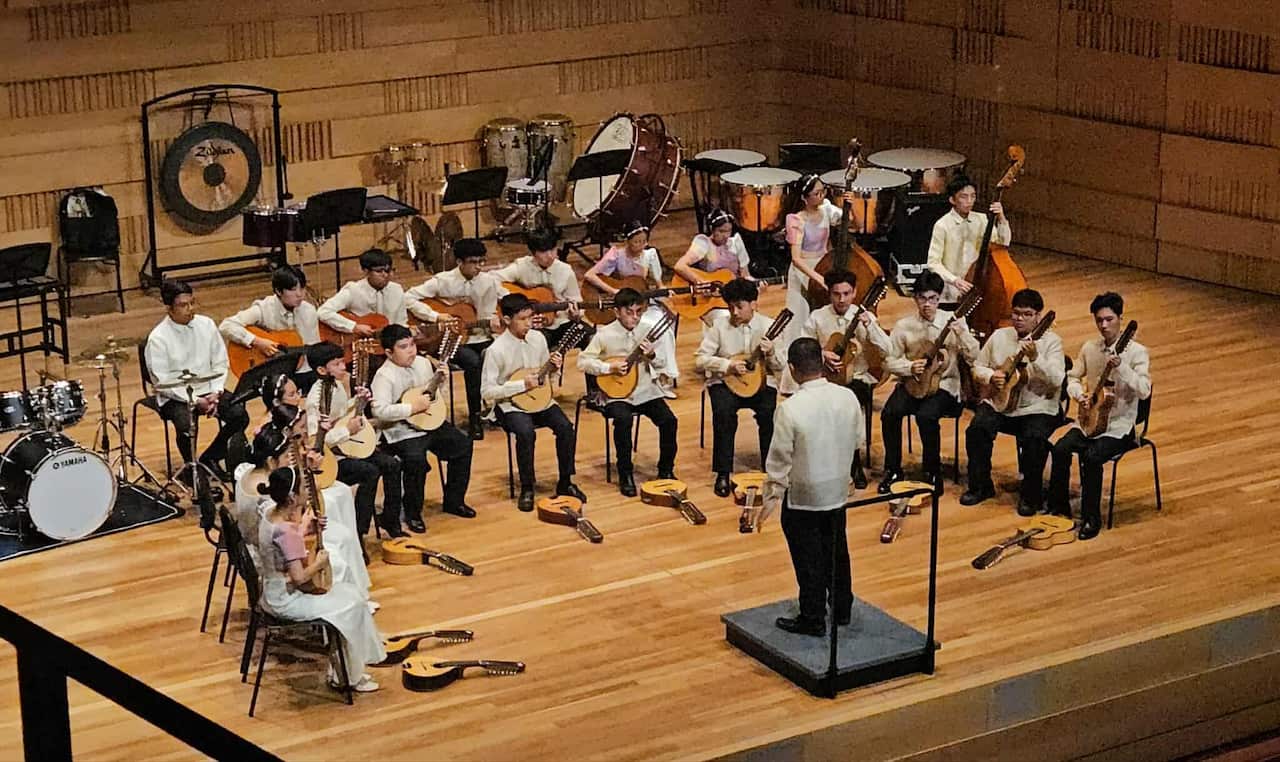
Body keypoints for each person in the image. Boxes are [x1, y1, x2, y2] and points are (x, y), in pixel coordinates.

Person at [761, 338, 863, 636]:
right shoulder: (848, 397)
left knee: (808, 558)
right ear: (822, 362)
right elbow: (859, 441)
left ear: (792, 369)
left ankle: (813, 616)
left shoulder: (790, 409)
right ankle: (842, 608)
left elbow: (779, 460)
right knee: (837, 549)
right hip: (837, 489)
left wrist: (770, 496)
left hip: (804, 496)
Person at [257, 465, 386, 693]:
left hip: (272, 590)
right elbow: (299, 578)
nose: (309, 493)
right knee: (353, 603)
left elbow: (286, 545)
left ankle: (346, 667)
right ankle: (347, 677)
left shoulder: (269, 513)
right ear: (293, 497)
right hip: (285, 600)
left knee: (348, 593)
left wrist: (305, 526)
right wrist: (319, 563)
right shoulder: (286, 532)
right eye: (304, 489)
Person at [1048, 292, 1150, 540]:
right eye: (1099, 321)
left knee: (1092, 458)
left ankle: (1091, 518)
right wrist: (1078, 395)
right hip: (1089, 421)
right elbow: (1072, 377)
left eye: (1109, 319)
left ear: (1120, 319)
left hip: (1120, 427)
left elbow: (1144, 391)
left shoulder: (1137, 353)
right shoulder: (1089, 348)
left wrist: (1122, 367)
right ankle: (1059, 508)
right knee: (1060, 449)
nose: (1104, 325)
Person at [961, 288, 1065, 514]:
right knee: (977, 429)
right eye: (1016, 313)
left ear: (1038, 316)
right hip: (1001, 403)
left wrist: (1036, 358)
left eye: (1026, 314)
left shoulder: (1052, 343)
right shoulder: (1000, 336)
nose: (1019, 319)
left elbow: (1057, 380)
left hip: (1038, 407)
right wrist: (991, 376)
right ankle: (981, 486)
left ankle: (1031, 496)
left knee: (1034, 439)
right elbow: (977, 366)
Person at [238, 419, 373, 589]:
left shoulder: (249, 474)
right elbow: (288, 527)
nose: (290, 460)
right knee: (337, 552)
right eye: (287, 456)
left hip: (273, 545)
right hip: (270, 561)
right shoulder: (268, 495)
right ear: (271, 461)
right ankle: (341, 593)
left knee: (342, 534)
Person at [481, 293, 586, 512]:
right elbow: (488, 392)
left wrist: (553, 369)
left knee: (566, 428)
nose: (528, 323)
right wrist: (520, 386)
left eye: (530, 317)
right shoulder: (495, 350)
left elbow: (543, 375)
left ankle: (566, 482)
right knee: (526, 432)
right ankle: (527, 487)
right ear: (507, 320)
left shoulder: (538, 339)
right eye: (522, 318)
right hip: (509, 404)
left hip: (540, 400)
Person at [368, 325, 476, 534]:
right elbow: (380, 411)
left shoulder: (423, 363)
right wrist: (411, 408)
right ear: (389, 352)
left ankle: (454, 501)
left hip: (429, 422)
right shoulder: (384, 376)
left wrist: (441, 382)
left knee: (463, 445)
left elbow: (432, 397)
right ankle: (412, 513)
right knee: (416, 460)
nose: (410, 350)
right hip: (400, 430)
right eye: (403, 347)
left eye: (412, 345)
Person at [879, 271, 979, 494]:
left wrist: (962, 334)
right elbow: (888, 361)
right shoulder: (904, 326)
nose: (928, 304)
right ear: (915, 298)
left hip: (945, 386)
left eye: (933, 299)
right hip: (913, 383)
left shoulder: (954, 321)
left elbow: (974, 357)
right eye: (923, 298)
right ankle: (893, 469)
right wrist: (909, 367)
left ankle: (932, 472)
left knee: (926, 416)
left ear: (940, 298)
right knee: (889, 413)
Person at [145, 279, 250, 488]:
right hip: (177, 395)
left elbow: (221, 362)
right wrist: (194, 400)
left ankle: (208, 458)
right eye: (183, 305)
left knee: (239, 414)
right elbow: (162, 380)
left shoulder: (207, 324)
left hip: (210, 390)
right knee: (186, 425)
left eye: (192, 303)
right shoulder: (158, 338)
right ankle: (190, 468)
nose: (190, 309)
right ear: (169, 308)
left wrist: (217, 392)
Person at [576, 288, 678, 496]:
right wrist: (608, 368)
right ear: (617, 312)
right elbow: (582, 362)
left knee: (669, 421)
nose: (635, 317)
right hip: (616, 394)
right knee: (623, 421)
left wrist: (651, 355)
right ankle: (625, 474)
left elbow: (663, 363)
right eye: (629, 312)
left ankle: (666, 470)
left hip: (645, 389)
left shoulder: (649, 330)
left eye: (638, 312)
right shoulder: (604, 334)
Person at [405, 238, 506, 440]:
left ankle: (499, 409)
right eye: (473, 262)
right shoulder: (442, 280)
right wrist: (436, 316)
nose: (479, 267)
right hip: (447, 340)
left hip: (480, 335)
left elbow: (499, 306)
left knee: (500, 353)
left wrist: (497, 320)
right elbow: (408, 297)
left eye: (481, 261)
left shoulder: (489, 282)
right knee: (472, 362)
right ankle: (475, 417)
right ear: (460, 262)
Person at [800, 269, 892, 488]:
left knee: (850, 405)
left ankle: (853, 461)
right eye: (836, 294)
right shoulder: (817, 317)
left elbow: (888, 350)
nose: (841, 299)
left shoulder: (865, 317)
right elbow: (802, 348)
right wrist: (822, 354)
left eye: (846, 293)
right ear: (829, 294)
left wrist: (870, 326)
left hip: (857, 378)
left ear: (855, 292)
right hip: (825, 379)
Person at [305, 341, 404, 539]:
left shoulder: (337, 386)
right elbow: (316, 442)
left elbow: (341, 414)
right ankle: (358, 532)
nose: (343, 367)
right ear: (322, 369)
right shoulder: (314, 400)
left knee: (391, 464)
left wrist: (358, 401)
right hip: (331, 460)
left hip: (348, 447)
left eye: (343, 362)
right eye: (337, 364)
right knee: (369, 473)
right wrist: (347, 431)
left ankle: (391, 520)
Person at [694, 278, 782, 498]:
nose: (734, 312)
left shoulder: (769, 326)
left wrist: (771, 352)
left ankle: (770, 470)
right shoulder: (719, 327)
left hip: (760, 382)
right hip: (726, 382)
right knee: (724, 414)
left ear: (754, 303)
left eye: (739, 306)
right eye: (730, 306)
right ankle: (723, 472)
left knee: (768, 414)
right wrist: (727, 365)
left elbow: (781, 366)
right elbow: (700, 359)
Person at [218, 265, 321, 391]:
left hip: (301, 370)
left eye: (302, 288)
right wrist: (257, 341)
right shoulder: (263, 309)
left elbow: (314, 348)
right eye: (293, 290)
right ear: (278, 291)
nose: (300, 294)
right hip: (270, 372)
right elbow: (226, 325)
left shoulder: (309, 311)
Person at [490, 227, 589, 349]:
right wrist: (511, 299)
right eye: (543, 252)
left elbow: (576, 300)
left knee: (587, 334)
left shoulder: (565, 270)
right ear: (533, 253)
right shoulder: (522, 266)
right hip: (531, 327)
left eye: (553, 250)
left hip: (560, 322)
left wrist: (575, 315)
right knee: (534, 343)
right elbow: (491, 278)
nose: (550, 256)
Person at [926, 174, 1011, 304]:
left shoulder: (982, 219)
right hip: (952, 289)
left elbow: (1002, 245)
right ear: (952, 200)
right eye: (964, 197)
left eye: (973, 196)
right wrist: (955, 280)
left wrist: (1001, 218)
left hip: (980, 284)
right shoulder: (942, 225)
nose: (969, 201)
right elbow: (933, 263)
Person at [318, 248, 415, 337]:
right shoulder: (353, 290)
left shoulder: (397, 290)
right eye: (379, 271)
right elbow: (323, 312)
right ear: (366, 271)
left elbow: (401, 322)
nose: (385, 275)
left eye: (388, 270)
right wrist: (353, 326)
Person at [673, 208, 758, 286]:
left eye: (729, 231)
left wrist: (756, 284)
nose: (726, 235)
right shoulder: (704, 243)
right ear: (712, 229)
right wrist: (700, 282)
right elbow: (679, 266)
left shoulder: (735, 241)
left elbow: (745, 275)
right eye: (721, 231)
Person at [583, 222, 665, 296]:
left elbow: (660, 285)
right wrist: (613, 291)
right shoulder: (617, 255)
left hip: (638, 295)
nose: (641, 246)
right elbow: (589, 275)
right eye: (636, 242)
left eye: (644, 241)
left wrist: (663, 290)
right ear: (627, 241)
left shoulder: (650, 254)